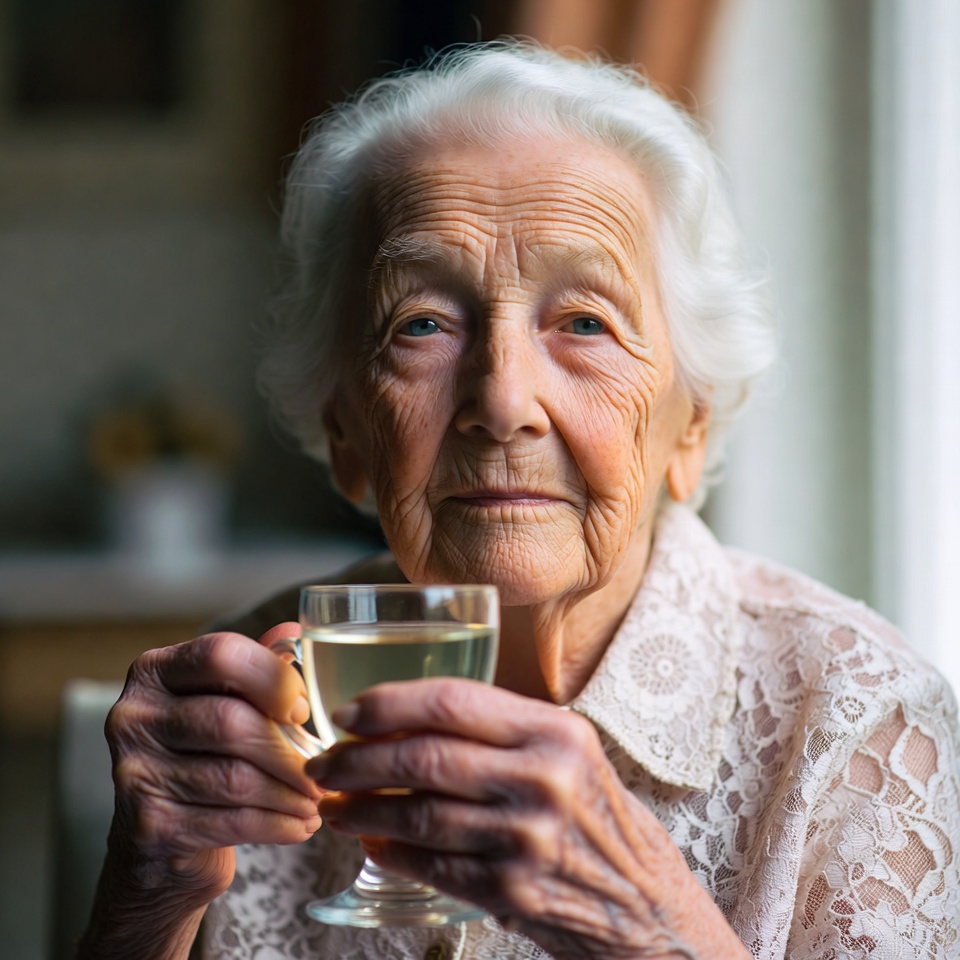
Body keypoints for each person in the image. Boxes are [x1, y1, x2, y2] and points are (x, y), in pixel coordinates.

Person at [79, 44, 960, 960]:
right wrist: (144, 904)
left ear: (690, 427)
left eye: (585, 323)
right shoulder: (246, 714)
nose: (501, 401)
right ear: (345, 435)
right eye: (422, 324)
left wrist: (651, 932)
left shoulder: (859, 726)